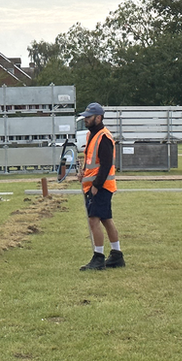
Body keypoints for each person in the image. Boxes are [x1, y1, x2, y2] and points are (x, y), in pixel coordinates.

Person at [76, 102, 124, 271]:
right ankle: (117, 255)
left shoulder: (104, 137)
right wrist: (83, 173)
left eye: (88, 117)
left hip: (102, 186)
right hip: (95, 185)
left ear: (98, 117)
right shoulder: (91, 136)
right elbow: (91, 161)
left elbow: (105, 164)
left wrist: (96, 185)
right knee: (105, 219)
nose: (86, 120)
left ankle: (98, 258)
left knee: (93, 219)